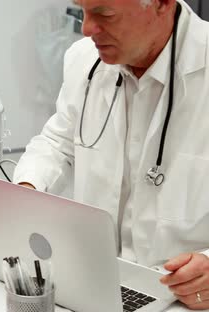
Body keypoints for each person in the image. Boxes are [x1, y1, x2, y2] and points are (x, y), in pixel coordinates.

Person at [13, 0, 209, 309]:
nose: (86, 29)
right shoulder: (83, 60)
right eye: (82, 10)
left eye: (104, 13)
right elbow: (57, 142)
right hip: (93, 285)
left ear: (161, 4)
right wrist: (29, 188)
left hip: (184, 299)